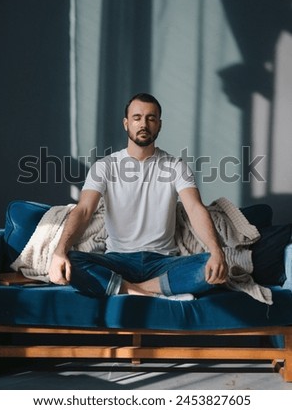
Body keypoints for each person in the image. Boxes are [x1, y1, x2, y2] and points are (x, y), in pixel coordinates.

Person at [48, 93, 291, 299]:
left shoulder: (175, 166)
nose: (144, 124)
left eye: (150, 118)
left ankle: (132, 290)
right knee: (71, 260)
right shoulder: (105, 167)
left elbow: (195, 209)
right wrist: (60, 251)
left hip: (162, 262)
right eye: (137, 118)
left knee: (212, 267)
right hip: (117, 260)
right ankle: (139, 290)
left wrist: (216, 252)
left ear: (159, 125)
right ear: (126, 124)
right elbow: (83, 210)